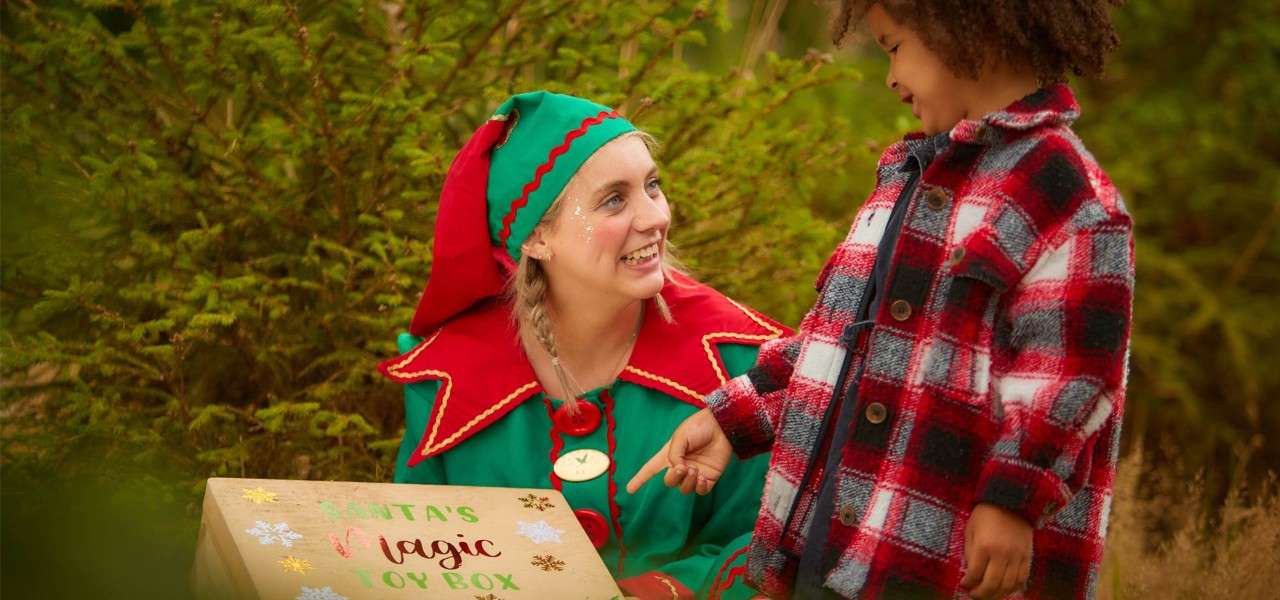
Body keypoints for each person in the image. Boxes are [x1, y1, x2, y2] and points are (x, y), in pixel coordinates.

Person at [628, 2, 1135, 598]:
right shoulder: (907, 176)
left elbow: (1070, 378)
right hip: (831, 549)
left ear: (963, 28)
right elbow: (836, 348)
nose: (891, 76)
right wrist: (732, 419)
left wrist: (1013, 500)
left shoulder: (1067, 195)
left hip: (945, 567)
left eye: (894, 47)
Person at [379, 91, 789, 600]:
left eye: (652, 186)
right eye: (615, 199)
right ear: (535, 238)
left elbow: (764, 545)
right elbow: (417, 557)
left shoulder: (742, 361)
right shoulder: (447, 381)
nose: (654, 217)